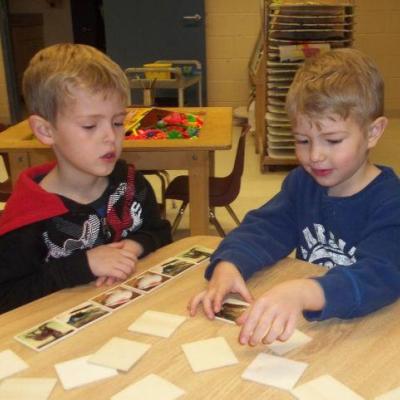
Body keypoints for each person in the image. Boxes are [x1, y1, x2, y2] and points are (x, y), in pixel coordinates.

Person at [189, 48, 400, 346]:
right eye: (302, 140)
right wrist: (230, 264)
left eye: (333, 140)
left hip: (371, 338)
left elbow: (380, 276)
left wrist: (303, 292)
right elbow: (263, 228)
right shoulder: (303, 184)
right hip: (315, 335)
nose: (315, 156)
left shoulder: (391, 201)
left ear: (373, 132)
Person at [0, 44, 172, 313]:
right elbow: (6, 297)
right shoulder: (26, 219)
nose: (110, 137)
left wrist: (137, 245)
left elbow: (160, 232)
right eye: (90, 126)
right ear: (45, 131)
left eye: (117, 122)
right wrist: (84, 265)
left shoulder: (132, 185)